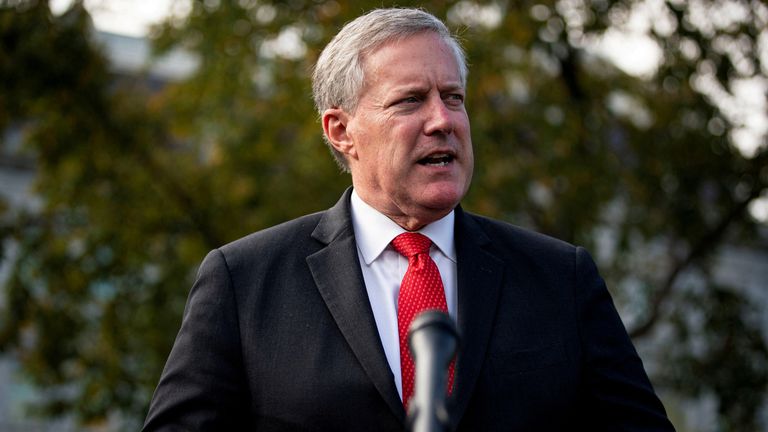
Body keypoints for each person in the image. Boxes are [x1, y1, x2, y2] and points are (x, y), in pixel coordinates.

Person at [143, 8, 675, 432]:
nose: (443, 121)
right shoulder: (245, 281)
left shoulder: (561, 277)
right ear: (341, 131)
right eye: (410, 101)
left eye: (454, 98)